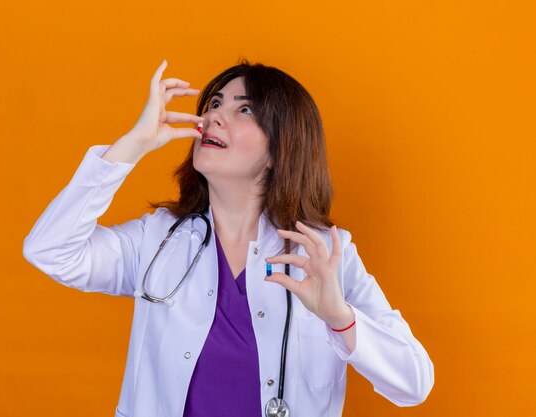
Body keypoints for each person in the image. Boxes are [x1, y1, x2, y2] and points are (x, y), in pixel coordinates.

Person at [23, 59, 434, 417]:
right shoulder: (158, 240)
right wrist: (131, 145)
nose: (214, 116)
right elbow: (49, 250)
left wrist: (339, 318)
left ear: (280, 149)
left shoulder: (324, 256)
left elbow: (414, 384)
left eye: (244, 109)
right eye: (215, 104)